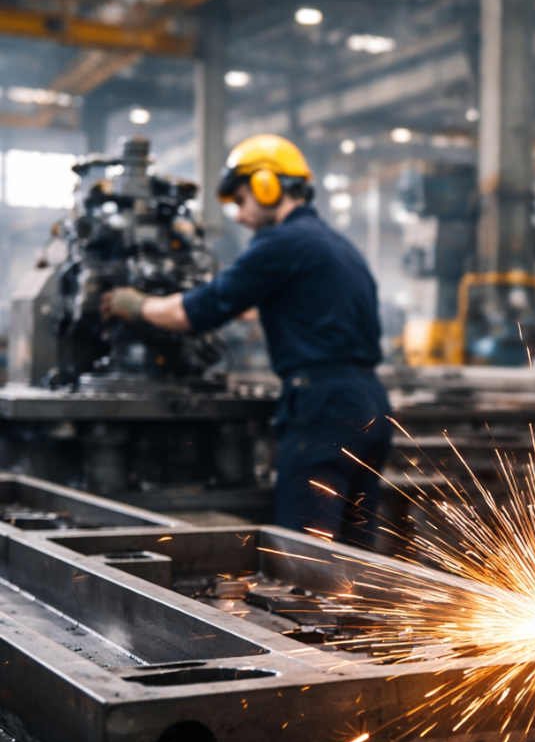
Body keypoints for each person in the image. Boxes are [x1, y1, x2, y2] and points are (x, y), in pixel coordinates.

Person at [101, 134, 393, 544]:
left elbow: (192, 314)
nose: (238, 215)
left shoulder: (280, 244)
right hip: (370, 407)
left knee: (306, 556)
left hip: (322, 409)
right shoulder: (335, 245)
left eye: (241, 200)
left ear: (266, 186)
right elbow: (295, 305)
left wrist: (137, 305)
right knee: (353, 550)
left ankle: (307, 611)